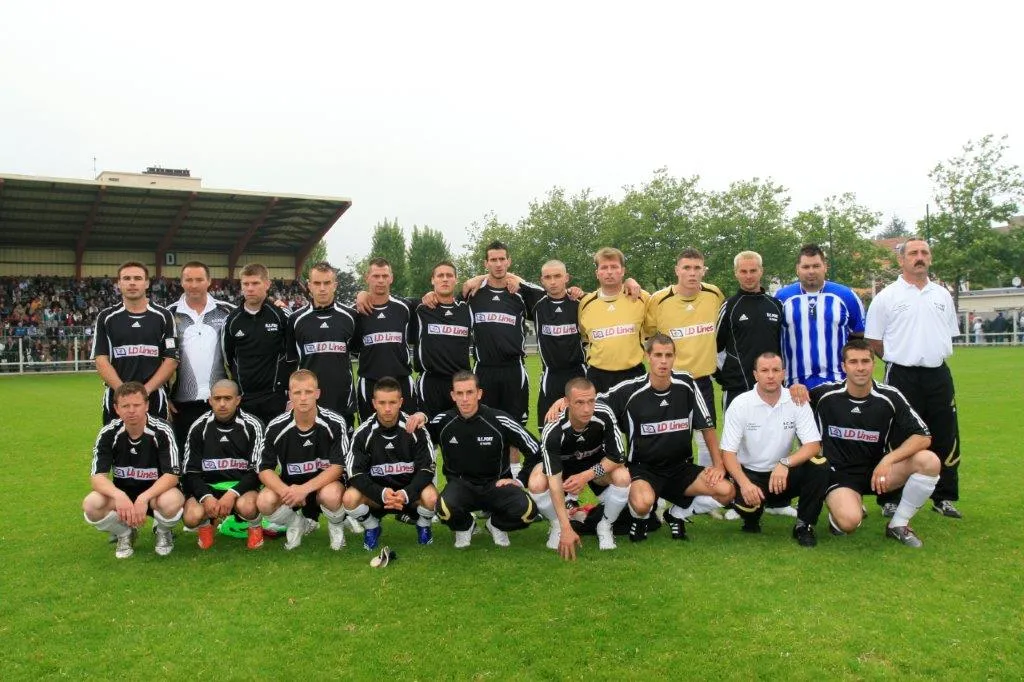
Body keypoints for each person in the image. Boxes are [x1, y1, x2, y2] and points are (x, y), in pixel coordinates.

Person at [865, 237, 963, 519]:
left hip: (937, 373)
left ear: (929, 258)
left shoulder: (942, 295)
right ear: (902, 259)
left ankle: (944, 497)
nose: (919, 257)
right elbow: (873, 339)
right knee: (897, 436)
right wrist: (900, 357)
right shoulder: (887, 296)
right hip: (901, 375)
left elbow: (946, 334)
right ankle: (890, 498)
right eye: (913, 253)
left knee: (946, 434)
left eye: (924, 252)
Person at [603, 333, 735, 542]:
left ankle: (676, 514)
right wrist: (565, 401)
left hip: (680, 468)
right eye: (658, 355)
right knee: (642, 503)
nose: (663, 361)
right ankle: (640, 518)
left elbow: (707, 428)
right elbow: (595, 402)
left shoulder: (687, 383)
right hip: (644, 469)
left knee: (726, 491)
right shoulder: (630, 390)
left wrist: (719, 465)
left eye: (668, 355)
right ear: (648, 356)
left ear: (674, 357)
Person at [812, 340, 941, 547]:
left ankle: (898, 524)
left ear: (873, 364)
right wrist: (796, 390)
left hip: (879, 473)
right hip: (840, 473)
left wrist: (888, 460)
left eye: (865, 361)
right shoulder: (824, 395)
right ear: (844, 366)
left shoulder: (889, 396)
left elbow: (923, 436)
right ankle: (841, 512)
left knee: (929, 461)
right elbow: (791, 407)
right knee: (849, 523)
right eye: (853, 362)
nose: (860, 367)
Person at [410, 371, 539, 551]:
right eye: (460, 393)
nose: (465, 399)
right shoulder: (443, 421)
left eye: (469, 392)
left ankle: (496, 525)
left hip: (497, 485)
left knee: (527, 512)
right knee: (443, 509)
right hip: (461, 486)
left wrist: (519, 480)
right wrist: (421, 416)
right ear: (453, 396)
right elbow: (418, 439)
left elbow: (536, 450)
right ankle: (465, 526)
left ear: (479, 393)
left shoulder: (499, 419)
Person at [643, 248, 724, 519]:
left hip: (701, 380)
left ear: (704, 270)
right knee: (669, 437)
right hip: (670, 382)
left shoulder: (714, 295)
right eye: (686, 268)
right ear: (677, 270)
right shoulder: (659, 300)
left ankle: (702, 495)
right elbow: (648, 334)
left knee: (705, 436)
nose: (692, 273)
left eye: (697, 268)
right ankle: (662, 496)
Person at [719, 352, 827, 546]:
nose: (770, 375)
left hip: (782, 475)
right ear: (755, 375)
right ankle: (751, 517)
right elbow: (728, 453)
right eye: (765, 370)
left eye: (776, 370)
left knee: (819, 465)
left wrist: (785, 463)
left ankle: (804, 525)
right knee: (749, 509)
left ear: (783, 373)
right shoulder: (740, 404)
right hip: (751, 475)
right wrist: (744, 484)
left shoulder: (796, 400)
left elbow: (813, 444)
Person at [522, 377, 628, 552]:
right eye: (579, 402)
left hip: (594, 466)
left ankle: (605, 525)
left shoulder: (604, 414)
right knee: (536, 483)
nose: (587, 409)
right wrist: (565, 527)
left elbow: (617, 457)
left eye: (591, 401)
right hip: (562, 467)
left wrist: (585, 476)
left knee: (623, 476)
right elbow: (554, 481)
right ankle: (557, 525)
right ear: (566, 402)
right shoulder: (553, 428)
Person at [83, 382, 184, 558]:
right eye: (125, 406)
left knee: (172, 501)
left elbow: (172, 475)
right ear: (116, 408)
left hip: (155, 495)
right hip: (124, 498)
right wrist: (119, 495)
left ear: (146, 405)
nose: (131, 410)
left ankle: (162, 531)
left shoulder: (162, 430)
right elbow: (97, 477)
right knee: (91, 505)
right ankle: (125, 533)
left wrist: (144, 498)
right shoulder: (108, 432)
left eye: (136, 405)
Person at [255, 370, 349, 550]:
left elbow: (338, 466)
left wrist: (305, 489)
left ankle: (336, 528)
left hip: (325, 484)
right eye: (297, 393)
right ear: (290, 395)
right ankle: (297, 523)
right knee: (264, 501)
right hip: (291, 487)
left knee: (332, 494)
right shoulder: (276, 426)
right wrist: (286, 491)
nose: (303, 398)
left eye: (309, 392)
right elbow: (264, 468)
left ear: (318, 394)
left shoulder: (335, 422)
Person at [342, 377, 438, 550]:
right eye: (382, 402)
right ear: (374, 403)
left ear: (401, 402)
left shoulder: (416, 429)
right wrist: (381, 493)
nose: (387, 409)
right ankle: (372, 527)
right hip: (378, 496)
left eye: (392, 402)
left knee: (431, 497)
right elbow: (354, 473)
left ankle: (423, 525)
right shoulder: (363, 433)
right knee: (349, 498)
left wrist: (406, 493)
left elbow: (427, 468)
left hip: (409, 493)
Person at [464, 241, 544, 427]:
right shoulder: (475, 293)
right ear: (486, 263)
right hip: (483, 370)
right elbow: (449, 302)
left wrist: (520, 282)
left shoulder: (519, 293)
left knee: (514, 429)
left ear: (509, 261)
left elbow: (547, 296)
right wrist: (476, 280)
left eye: (502, 259)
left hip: (513, 370)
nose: (498, 264)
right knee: (484, 428)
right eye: (493, 260)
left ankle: (513, 459)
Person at [180, 379, 265, 550]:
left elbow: (257, 471)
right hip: (209, 488)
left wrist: (232, 493)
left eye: (228, 398)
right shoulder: (198, 427)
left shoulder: (253, 425)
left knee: (248, 507)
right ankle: (206, 526)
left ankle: (255, 527)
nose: (222, 404)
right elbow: (190, 471)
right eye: (217, 399)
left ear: (238, 400)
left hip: (240, 489)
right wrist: (206, 497)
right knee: (191, 517)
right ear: (210, 400)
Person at [91, 261, 179, 424]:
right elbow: (101, 360)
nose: (132, 282)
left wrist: (144, 392)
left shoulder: (163, 316)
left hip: (152, 396)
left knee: (156, 447)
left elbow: (171, 360)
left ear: (146, 283)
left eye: (138, 278)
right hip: (116, 396)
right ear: (119, 283)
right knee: (116, 446)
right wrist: (123, 392)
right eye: (127, 278)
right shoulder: (106, 317)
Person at [166, 261, 235, 450]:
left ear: (209, 281)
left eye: (199, 279)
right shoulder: (168, 314)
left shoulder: (228, 311)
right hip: (182, 403)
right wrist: (165, 396)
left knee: (221, 457)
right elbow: (161, 358)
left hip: (221, 400)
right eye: (189, 280)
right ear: (181, 282)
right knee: (185, 459)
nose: (194, 285)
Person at [776, 244, 865, 388]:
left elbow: (859, 334)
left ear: (825, 267)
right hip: (794, 386)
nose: (811, 271)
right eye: (806, 267)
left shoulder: (846, 295)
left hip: (838, 384)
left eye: (816, 266)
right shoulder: (781, 297)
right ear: (797, 269)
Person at [286, 261, 358, 428]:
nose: (322, 288)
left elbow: (358, 352)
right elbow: (290, 362)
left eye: (327, 283)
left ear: (335, 285)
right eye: (317, 283)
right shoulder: (295, 319)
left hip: (342, 401)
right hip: (307, 403)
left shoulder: (351, 316)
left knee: (342, 452)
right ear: (309, 286)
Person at [222, 263, 291, 425]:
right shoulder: (231, 320)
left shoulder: (281, 315)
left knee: (275, 448)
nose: (250, 288)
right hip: (245, 399)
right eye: (245, 284)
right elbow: (228, 358)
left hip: (276, 398)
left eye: (255, 283)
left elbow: (292, 355)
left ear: (267, 284)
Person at [716, 251, 784, 411]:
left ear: (761, 271)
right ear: (736, 273)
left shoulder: (776, 305)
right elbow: (716, 347)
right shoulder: (729, 306)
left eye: (753, 271)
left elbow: (783, 345)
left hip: (771, 387)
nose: (748, 276)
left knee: (771, 436)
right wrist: (726, 377)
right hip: (737, 388)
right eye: (743, 271)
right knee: (735, 437)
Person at [352, 258, 418, 421]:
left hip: (401, 381)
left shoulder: (405, 308)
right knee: (369, 434)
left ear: (391, 278)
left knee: (408, 433)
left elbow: (433, 298)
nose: (380, 280)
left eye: (384, 275)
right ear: (367, 278)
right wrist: (360, 294)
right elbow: (354, 347)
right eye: (375, 276)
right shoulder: (356, 313)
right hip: (369, 383)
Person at [578, 247, 650, 393]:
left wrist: (631, 281)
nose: (609, 272)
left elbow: (652, 329)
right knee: (599, 416)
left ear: (622, 271)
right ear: (597, 273)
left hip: (633, 374)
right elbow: (584, 336)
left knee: (635, 416)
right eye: (604, 267)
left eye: (614, 267)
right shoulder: (585, 303)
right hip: (598, 377)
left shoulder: (642, 298)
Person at [413, 261, 471, 418]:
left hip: (460, 384)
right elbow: (386, 298)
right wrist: (362, 294)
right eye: (440, 275)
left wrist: (476, 279)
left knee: (460, 435)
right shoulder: (419, 308)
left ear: (456, 279)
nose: (445, 279)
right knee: (429, 435)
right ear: (433, 280)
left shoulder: (466, 309)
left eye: (449, 275)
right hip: (430, 384)